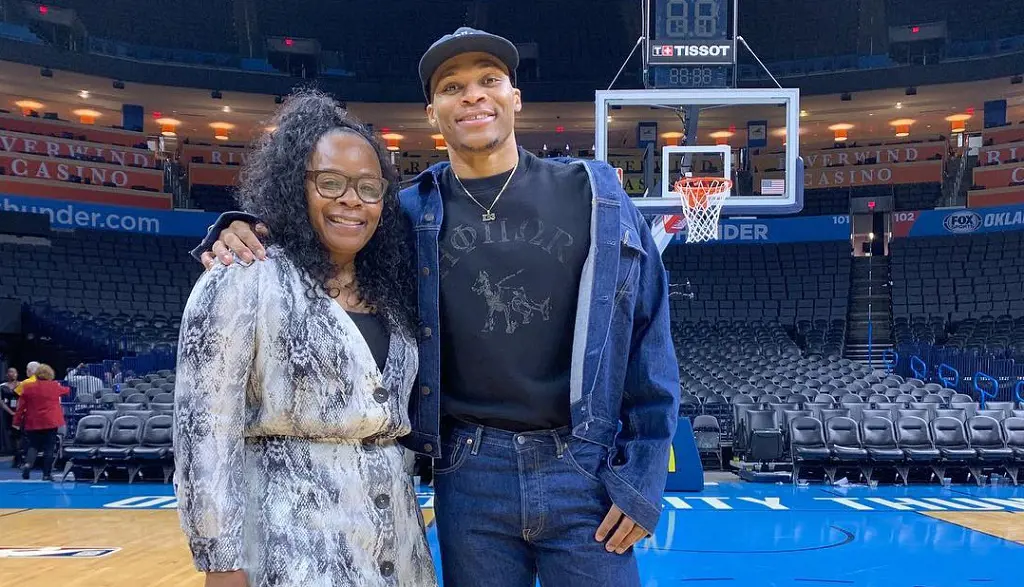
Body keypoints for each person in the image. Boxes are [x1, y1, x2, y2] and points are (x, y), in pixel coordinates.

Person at [194, 28, 680, 587]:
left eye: (488, 80)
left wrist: (642, 476)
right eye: (453, 86)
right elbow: (322, 222)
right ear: (433, 111)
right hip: (470, 472)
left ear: (515, 98)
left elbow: (650, 338)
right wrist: (237, 227)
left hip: (582, 464)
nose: (473, 95)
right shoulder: (405, 214)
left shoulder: (596, 196)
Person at [174, 90, 437, 587]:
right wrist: (220, 562)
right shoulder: (242, 277)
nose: (350, 200)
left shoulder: (396, 291)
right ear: (295, 188)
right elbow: (203, 434)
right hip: (287, 548)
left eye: (368, 187)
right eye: (330, 182)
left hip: (397, 549)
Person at [12, 363, 69, 480]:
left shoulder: (27, 388)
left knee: (33, 446)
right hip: (50, 422)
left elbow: (20, 407)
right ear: (50, 374)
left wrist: (16, 422)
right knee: (49, 448)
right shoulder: (54, 386)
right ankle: (46, 474)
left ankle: (28, 464)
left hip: (33, 422)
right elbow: (66, 390)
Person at [1, 367, 19, 461]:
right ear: (7, 374)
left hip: (20, 412)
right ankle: (14, 453)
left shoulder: (21, 385)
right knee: (10, 433)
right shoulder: (2, 386)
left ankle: (19, 455)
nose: (12, 374)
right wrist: (10, 412)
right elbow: (1, 401)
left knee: (19, 434)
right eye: (10, 372)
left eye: (14, 372)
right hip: (7, 413)